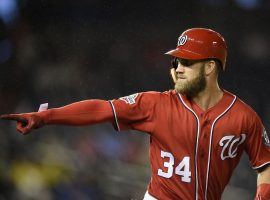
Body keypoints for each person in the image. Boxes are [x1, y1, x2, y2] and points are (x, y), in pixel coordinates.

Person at [1, 28, 270, 200]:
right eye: (175, 61)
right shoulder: (156, 104)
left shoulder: (243, 117)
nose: (177, 68)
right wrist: (46, 117)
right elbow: (102, 108)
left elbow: (265, 165)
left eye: (186, 62)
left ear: (210, 67)